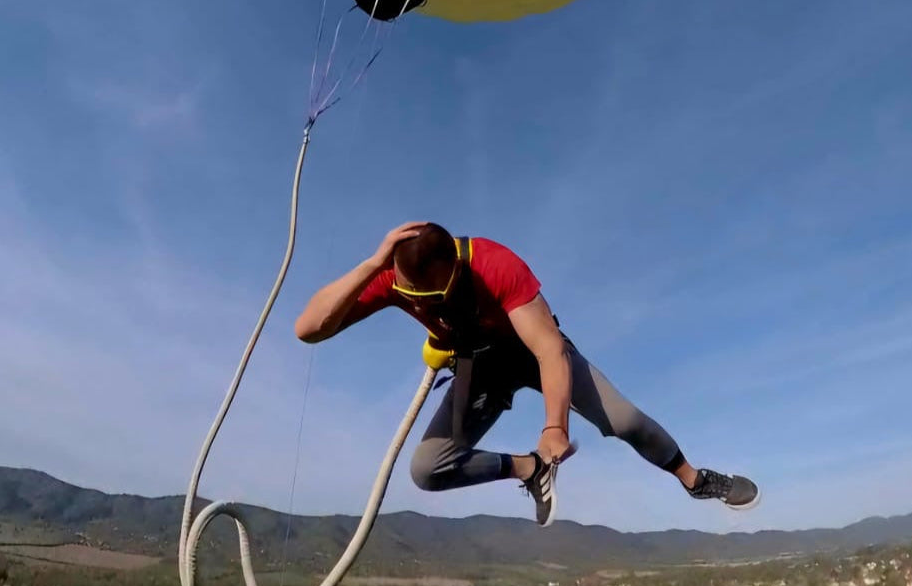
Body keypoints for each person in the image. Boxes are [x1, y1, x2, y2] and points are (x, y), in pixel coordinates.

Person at [294, 221, 758, 527]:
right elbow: (308, 329)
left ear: (455, 264)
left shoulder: (493, 263)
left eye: (440, 291)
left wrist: (555, 427)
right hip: (478, 369)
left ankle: (695, 480)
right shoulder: (391, 277)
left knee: (624, 421)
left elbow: (549, 348)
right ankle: (529, 469)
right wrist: (374, 263)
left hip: (529, 351)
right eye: (420, 295)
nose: (430, 302)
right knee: (427, 469)